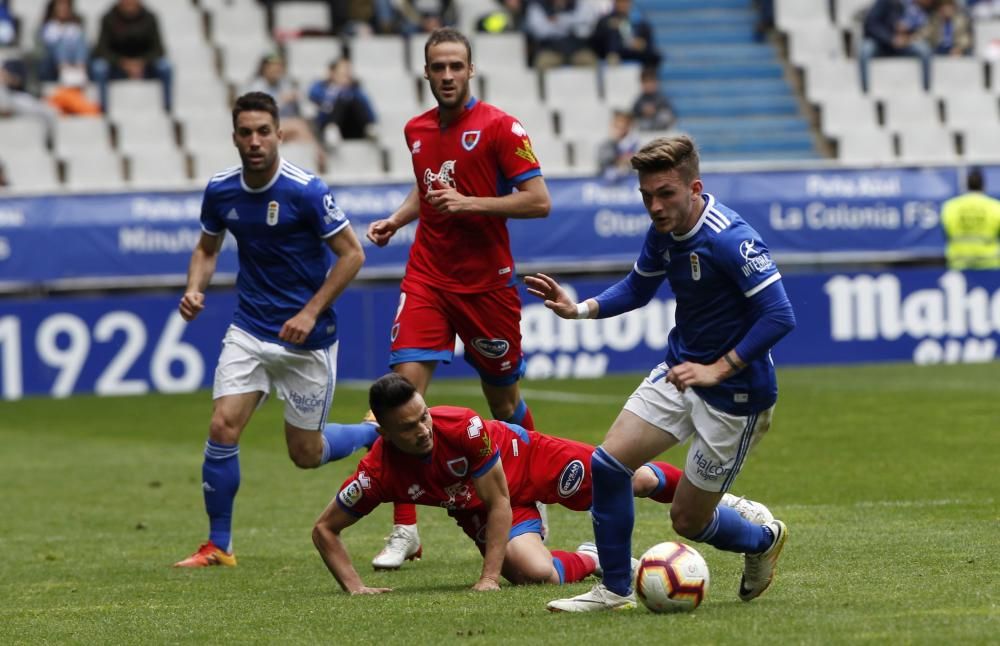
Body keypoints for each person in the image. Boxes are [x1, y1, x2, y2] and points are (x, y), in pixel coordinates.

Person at [529, 135, 796, 612]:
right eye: (647, 196)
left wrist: (720, 367)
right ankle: (612, 590)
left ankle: (761, 541)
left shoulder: (730, 239)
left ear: (694, 188)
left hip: (737, 395)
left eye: (666, 194)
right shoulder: (663, 231)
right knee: (608, 465)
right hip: (679, 372)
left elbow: (779, 315)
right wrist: (580, 309)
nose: (655, 206)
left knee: (687, 522)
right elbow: (638, 287)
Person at [361, 27, 552, 569]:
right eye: (437, 67)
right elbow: (429, 185)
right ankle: (405, 529)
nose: (446, 76)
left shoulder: (500, 127)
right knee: (400, 400)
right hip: (427, 278)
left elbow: (538, 201)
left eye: (455, 67)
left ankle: (532, 495)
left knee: (504, 404)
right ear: (426, 72)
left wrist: (471, 204)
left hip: (487, 285)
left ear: (471, 71)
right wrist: (399, 220)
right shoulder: (415, 129)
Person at [312, 373, 772, 593]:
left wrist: (487, 578)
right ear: (386, 433)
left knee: (627, 480)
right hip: (477, 502)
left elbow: (499, 501)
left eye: (424, 416)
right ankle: (590, 560)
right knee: (532, 574)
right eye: (409, 427)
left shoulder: (465, 427)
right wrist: (355, 587)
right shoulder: (378, 473)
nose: (424, 429)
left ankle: (723, 499)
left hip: (525, 462)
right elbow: (325, 529)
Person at [173, 91, 370, 568]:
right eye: (246, 132)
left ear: (280, 134)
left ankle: (370, 433)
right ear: (235, 137)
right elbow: (206, 247)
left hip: (308, 339)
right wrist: (196, 287)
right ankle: (219, 544)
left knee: (305, 454)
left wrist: (309, 311)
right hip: (250, 329)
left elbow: (353, 254)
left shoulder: (305, 190)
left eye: (264, 131)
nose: (255, 141)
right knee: (222, 426)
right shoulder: (221, 190)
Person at [91, 0, 172, 112]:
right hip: (117, 68)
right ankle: (103, 109)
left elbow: (159, 50)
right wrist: (123, 63)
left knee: (165, 66)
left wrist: (141, 63)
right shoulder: (108, 18)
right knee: (99, 67)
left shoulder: (150, 18)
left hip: (145, 67)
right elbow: (101, 50)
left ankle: (167, 108)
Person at [243, 52, 317, 146]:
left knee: (303, 131)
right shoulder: (255, 86)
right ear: (264, 69)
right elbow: (258, 113)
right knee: (299, 126)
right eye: (273, 68)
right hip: (264, 125)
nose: (276, 71)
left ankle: (308, 155)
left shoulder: (285, 84)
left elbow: (301, 108)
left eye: (278, 68)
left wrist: (298, 99)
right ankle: (315, 154)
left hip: (285, 124)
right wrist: (281, 100)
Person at [858, 0, 933, 92]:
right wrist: (890, 39)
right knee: (865, 50)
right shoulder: (883, 2)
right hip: (880, 44)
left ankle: (927, 90)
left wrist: (907, 34)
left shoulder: (908, 6)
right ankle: (865, 90)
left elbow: (913, 27)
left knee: (924, 49)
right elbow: (871, 25)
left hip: (900, 45)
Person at [940, 167, 1000, 270]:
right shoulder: (995, 206)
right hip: (989, 263)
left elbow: (947, 233)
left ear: (966, 185)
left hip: (959, 262)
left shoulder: (950, 206)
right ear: (983, 186)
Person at [307, 57, 377, 145]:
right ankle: (332, 128)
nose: (347, 74)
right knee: (342, 99)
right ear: (333, 72)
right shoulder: (321, 87)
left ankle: (369, 130)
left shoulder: (355, 89)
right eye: (343, 71)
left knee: (350, 98)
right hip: (327, 124)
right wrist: (337, 91)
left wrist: (350, 91)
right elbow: (322, 106)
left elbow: (369, 111)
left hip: (352, 126)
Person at [589, 0, 662, 69]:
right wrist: (609, 27)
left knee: (654, 55)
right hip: (613, 52)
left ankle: (649, 78)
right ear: (615, 3)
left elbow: (647, 40)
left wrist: (642, 44)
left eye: (626, 2)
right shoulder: (605, 21)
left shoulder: (639, 22)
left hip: (631, 51)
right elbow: (596, 41)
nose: (623, 5)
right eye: (621, 2)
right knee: (612, 32)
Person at [597, 108, 639, 181]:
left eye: (623, 126)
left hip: (630, 183)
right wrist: (622, 160)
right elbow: (604, 161)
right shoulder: (605, 145)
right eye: (617, 126)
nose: (620, 130)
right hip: (607, 185)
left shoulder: (634, 143)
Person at [631, 66, 675, 132]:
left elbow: (672, 114)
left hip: (660, 125)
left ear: (656, 83)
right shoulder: (639, 99)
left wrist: (655, 110)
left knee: (664, 116)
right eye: (646, 82)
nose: (649, 85)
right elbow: (633, 112)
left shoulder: (662, 97)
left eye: (651, 82)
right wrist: (642, 111)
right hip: (645, 127)